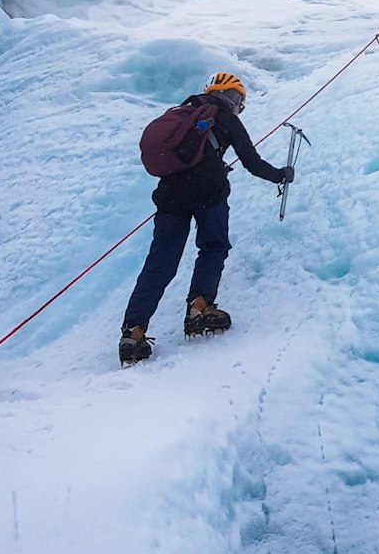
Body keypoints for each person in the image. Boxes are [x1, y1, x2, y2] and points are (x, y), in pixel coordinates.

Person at [118, 71, 292, 365]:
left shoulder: (183, 113)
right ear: (232, 97)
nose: (239, 108)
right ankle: (199, 308)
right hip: (208, 192)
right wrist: (281, 176)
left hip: (170, 196)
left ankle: (132, 332)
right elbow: (251, 161)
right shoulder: (225, 118)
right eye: (240, 102)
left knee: (161, 262)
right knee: (213, 246)